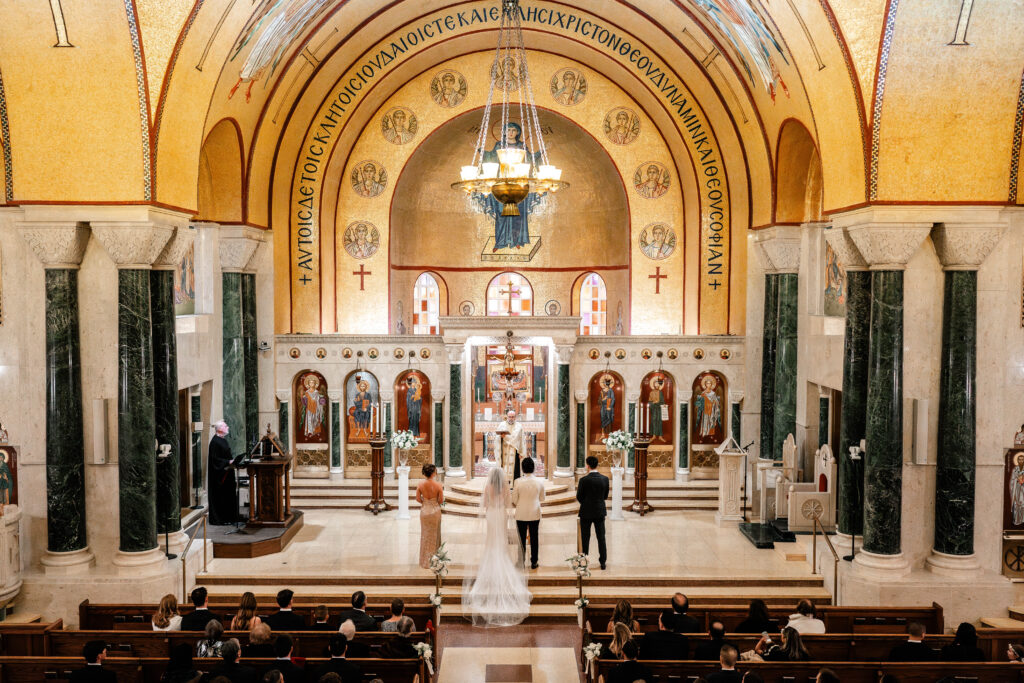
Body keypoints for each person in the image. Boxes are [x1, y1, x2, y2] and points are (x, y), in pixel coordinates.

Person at [461, 466, 533, 626]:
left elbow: (485, 504)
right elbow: (509, 504)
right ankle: (502, 560)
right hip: (501, 514)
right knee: (501, 541)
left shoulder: (487, 487)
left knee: (491, 540)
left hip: (491, 514)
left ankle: (490, 563)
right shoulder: (506, 488)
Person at [577, 455, 610, 569]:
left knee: (585, 538)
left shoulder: (583, 480)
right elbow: (605, 496)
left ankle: (584, 562)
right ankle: (603, 562)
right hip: (599, 511)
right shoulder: (605, 479)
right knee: (601, 538)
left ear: (587, 466)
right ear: (597, 465)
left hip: (586, 512)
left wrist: (586, 503)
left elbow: (579, 497)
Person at [512, 457, 544, 569]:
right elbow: (542, 498)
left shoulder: (517, 482)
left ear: (522, 468)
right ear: (534, 468)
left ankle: (521, 561)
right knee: (534, 538)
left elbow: (514, 500)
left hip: (521, 513)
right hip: (535, 513)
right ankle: (534, 562)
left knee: (521, 538)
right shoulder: (540, 481)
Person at [208, 421, 238, 525]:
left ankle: (231, 517)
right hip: (220, 475)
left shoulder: (222, 439)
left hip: (227, 472)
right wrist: (227, 462)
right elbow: (214, 460)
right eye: (225, 426)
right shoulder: (215, 442)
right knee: (222, 498)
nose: (228, 427)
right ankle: (222, 519)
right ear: (220, 429)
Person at [416, 464, 443, 569]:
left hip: (424, 511)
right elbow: (440, 500)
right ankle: (434, 560)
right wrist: (433, 503)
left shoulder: (420, 484)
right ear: (433, 473)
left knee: (425, 535)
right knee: (435, 535)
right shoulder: (438, 485)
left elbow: (418, 499)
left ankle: (424, 561)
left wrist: (426, 503)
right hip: (435, 512)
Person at [496, 410, 526, 483]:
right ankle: (504, 485)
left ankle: (514, 485)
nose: (511, 418)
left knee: (515, 469)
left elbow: (522, 439)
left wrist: (522, 453)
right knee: (504, 467)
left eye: (513, 417)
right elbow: (496, 437)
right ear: (507, 417)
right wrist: (500, 437)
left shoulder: (519, 426)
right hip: (504, 450)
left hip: (515, 451)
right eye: (509, 417)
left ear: (515, 417)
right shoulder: (502, 425)